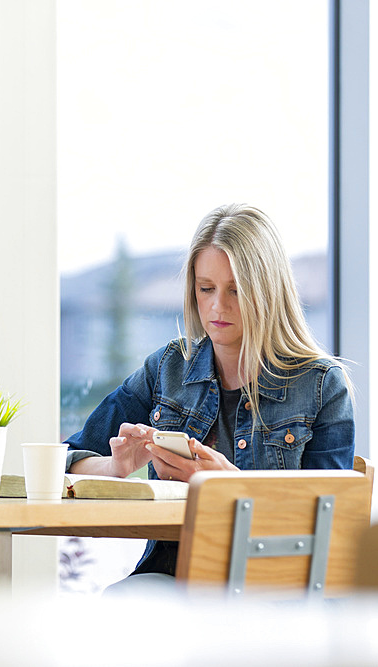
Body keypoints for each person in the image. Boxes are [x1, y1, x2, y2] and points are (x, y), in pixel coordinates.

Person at [64, 203, 355, 585]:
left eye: (236, 290)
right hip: (174, 574)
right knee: (123, 610)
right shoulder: (168, 368)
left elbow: (329, 524)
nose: (217, 306)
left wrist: (230, 485)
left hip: (277, 589)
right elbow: (67, 461)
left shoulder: (321, 385)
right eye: (206, 288)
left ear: (268, 291)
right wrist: (114, 468)